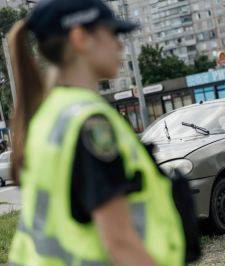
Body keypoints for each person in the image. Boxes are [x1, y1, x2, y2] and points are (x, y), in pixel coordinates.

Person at [8, 0, 199, 265]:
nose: (120, 44)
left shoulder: (48, 115)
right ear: (80, 38)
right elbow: (120, 243)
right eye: (112, 33)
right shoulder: (90, 124)